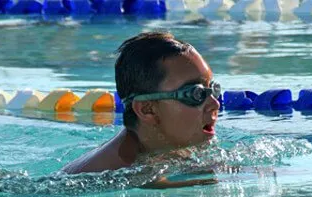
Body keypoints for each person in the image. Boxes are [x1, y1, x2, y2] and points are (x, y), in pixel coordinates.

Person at [61, 32, 221, 188]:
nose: (215, 104)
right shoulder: (127, 174)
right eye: (196, 93)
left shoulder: (163, 146)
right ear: (147, 109)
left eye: (213, 89)